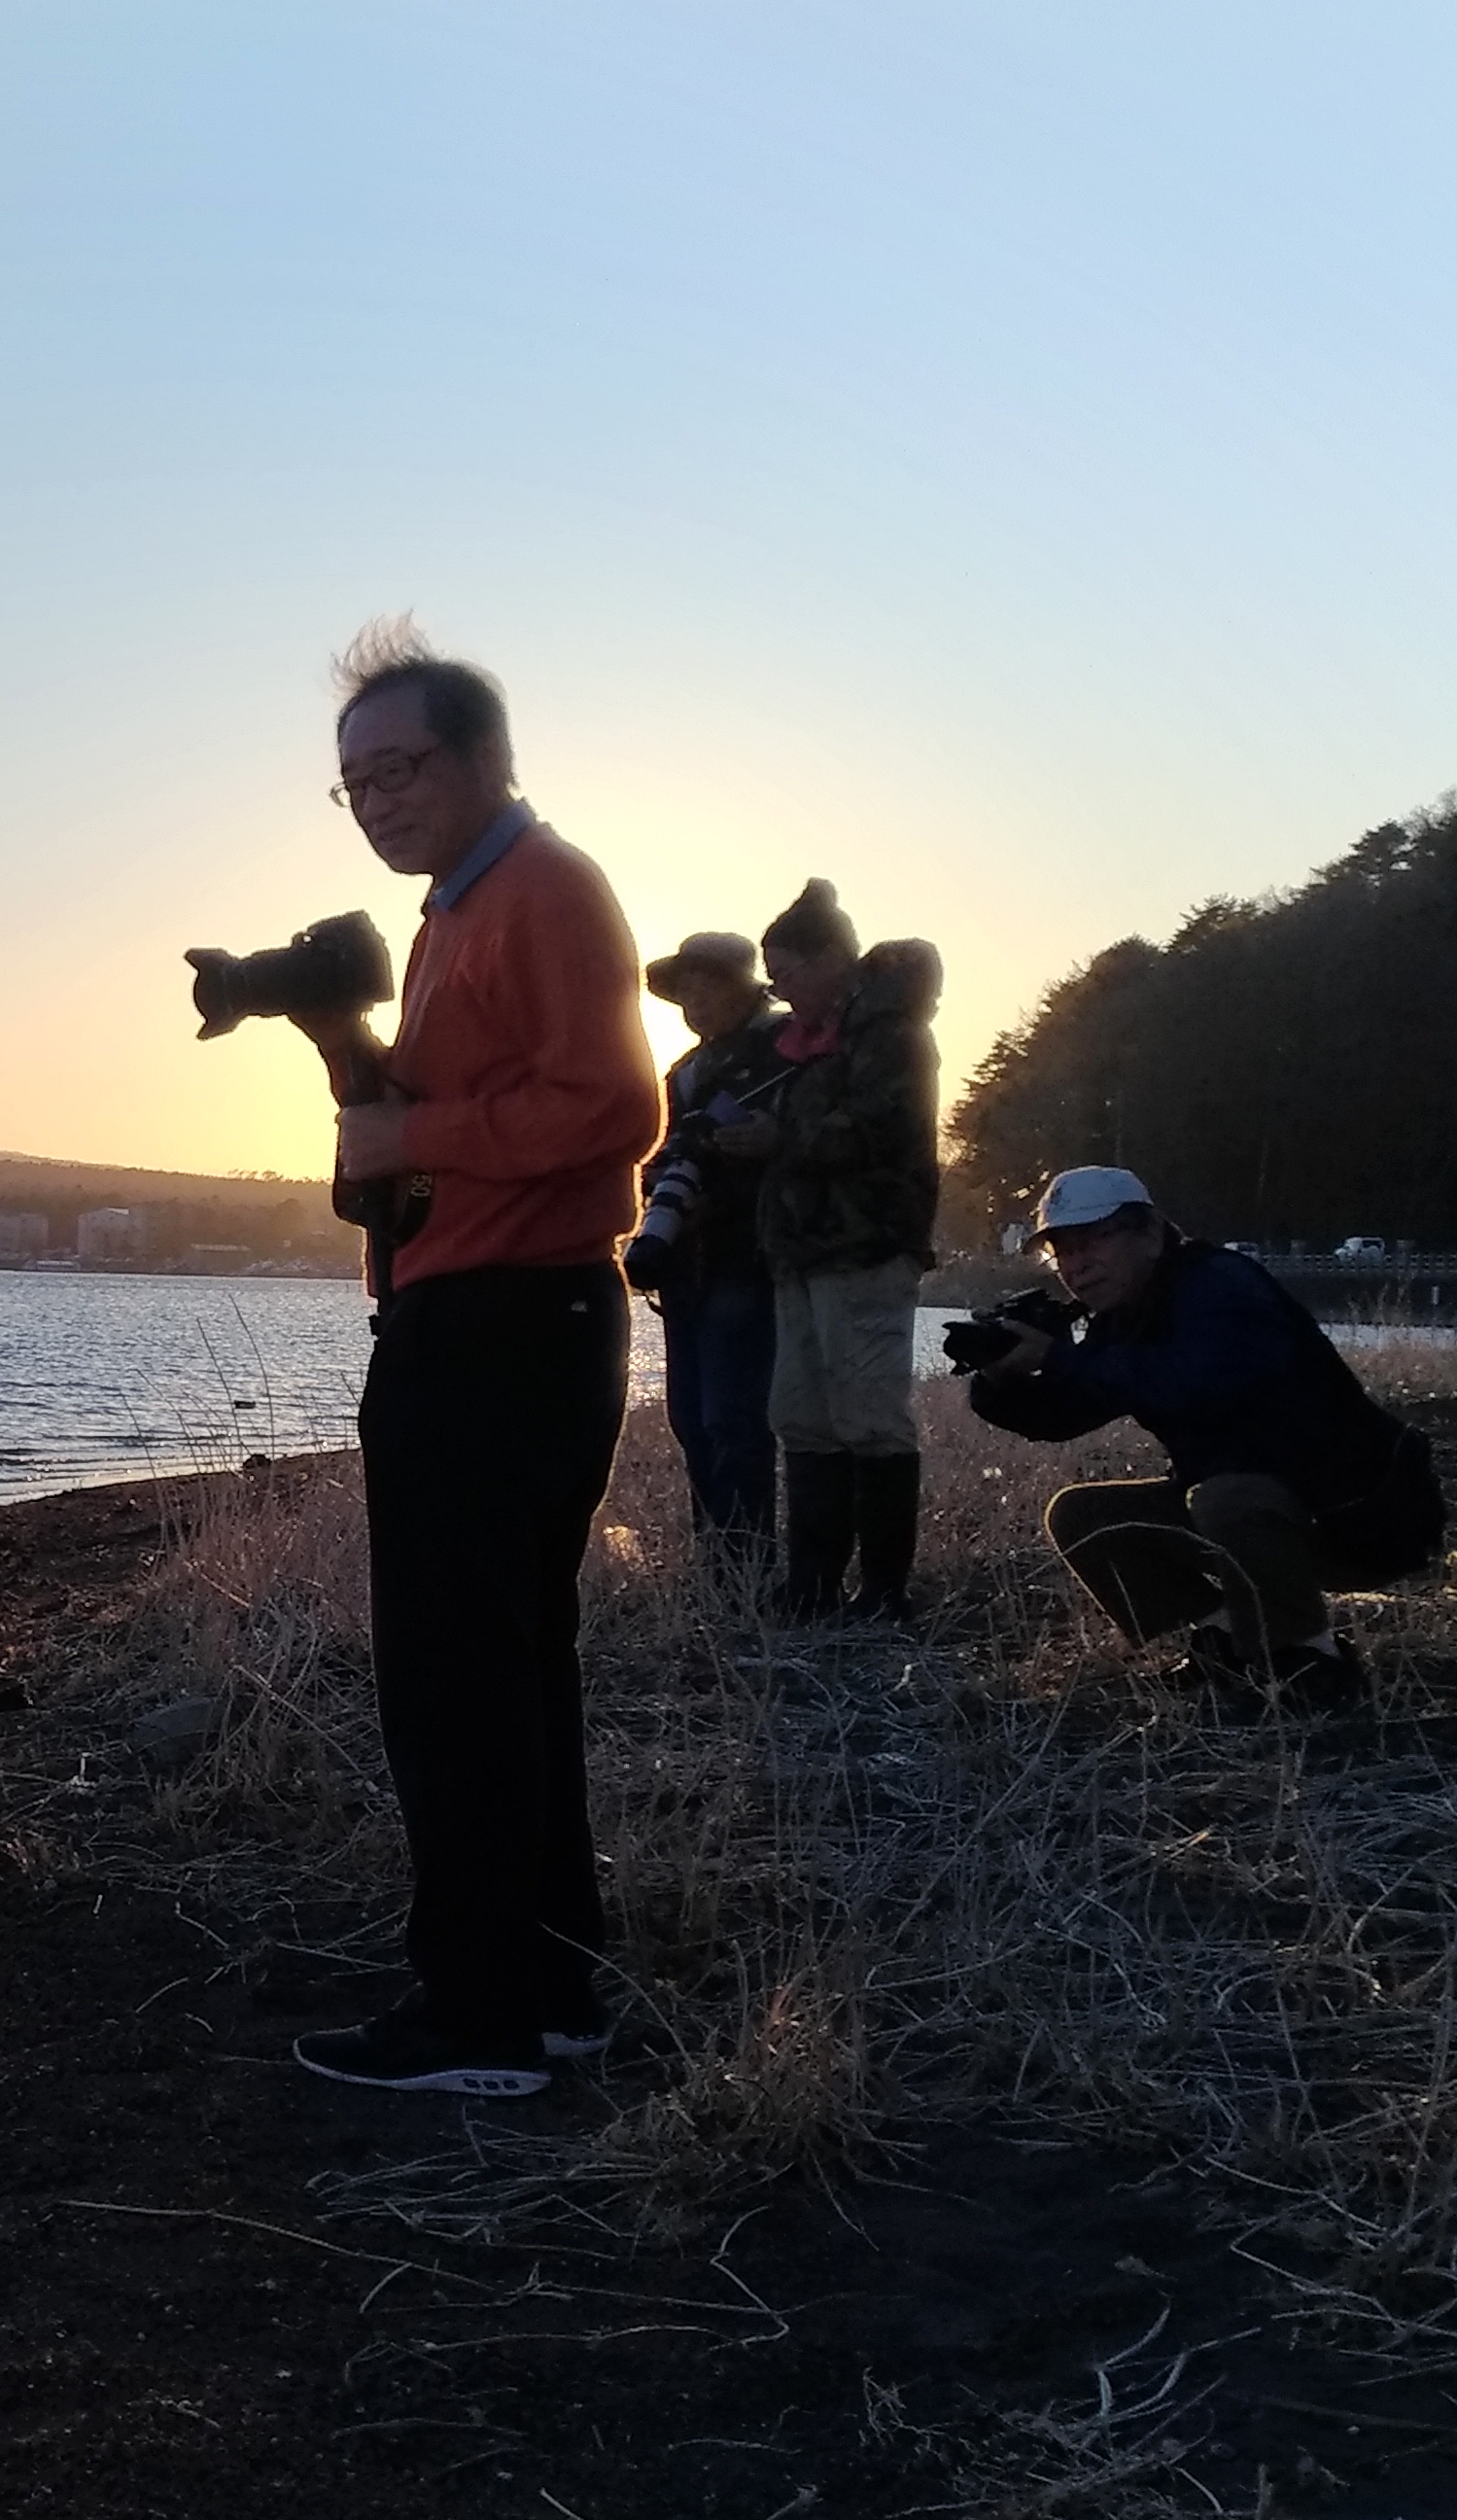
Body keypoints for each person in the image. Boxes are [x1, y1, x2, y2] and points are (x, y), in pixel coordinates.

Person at [297, 621, 662, 2099]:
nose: (377, 797)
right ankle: (548, 1985)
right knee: (502, 1671)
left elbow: (620, 1109)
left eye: (399, 766)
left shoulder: (543, 890)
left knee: (455, 1679)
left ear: (482, 757)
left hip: (514, 1321)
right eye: (353, 781)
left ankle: (488, 2013)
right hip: (498, 1317)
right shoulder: (463, 907)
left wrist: (409, 1136)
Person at [962, 1167, 1443, 1708]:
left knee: (1224, 1495)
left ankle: (1309, 1663)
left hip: (1364, 1513)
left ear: (1149, 1233)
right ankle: (1227, 1645)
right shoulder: (1123, 1315)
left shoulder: (1220, 1285)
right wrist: (997, 1377)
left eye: (1093, 1241)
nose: (1076, 1265)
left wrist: (1056, 1356)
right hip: (1257, 1514)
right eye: (1062, 1251)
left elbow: (1193, 1383)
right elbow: (1062, 1415)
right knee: (1082, 1516)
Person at [707, 879, 940, 1618]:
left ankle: (883, 1590)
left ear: (834, 959)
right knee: (802, 1414)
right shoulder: (804, 1043)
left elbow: (886, 1129)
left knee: (870, 1415)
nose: (776, 985)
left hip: (866, 1247)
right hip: (801, 1254)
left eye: (787, 969)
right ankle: (810, 1584)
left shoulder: (891, 1034)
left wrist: (779, 1139)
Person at [623, 933, 785, 1558]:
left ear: (742, 989)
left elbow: (801, 1146)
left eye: (707, 985)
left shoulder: (786, 1056)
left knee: (733, 1419)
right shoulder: (684, 1073)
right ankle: (716, 1560)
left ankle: (747, 1562)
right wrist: (661, 1192)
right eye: (685, 989)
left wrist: (752, 1156)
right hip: (684, 1269)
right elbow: (659, 1157)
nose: (694, 1000)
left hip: (746, 1259)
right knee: (690, 1420)